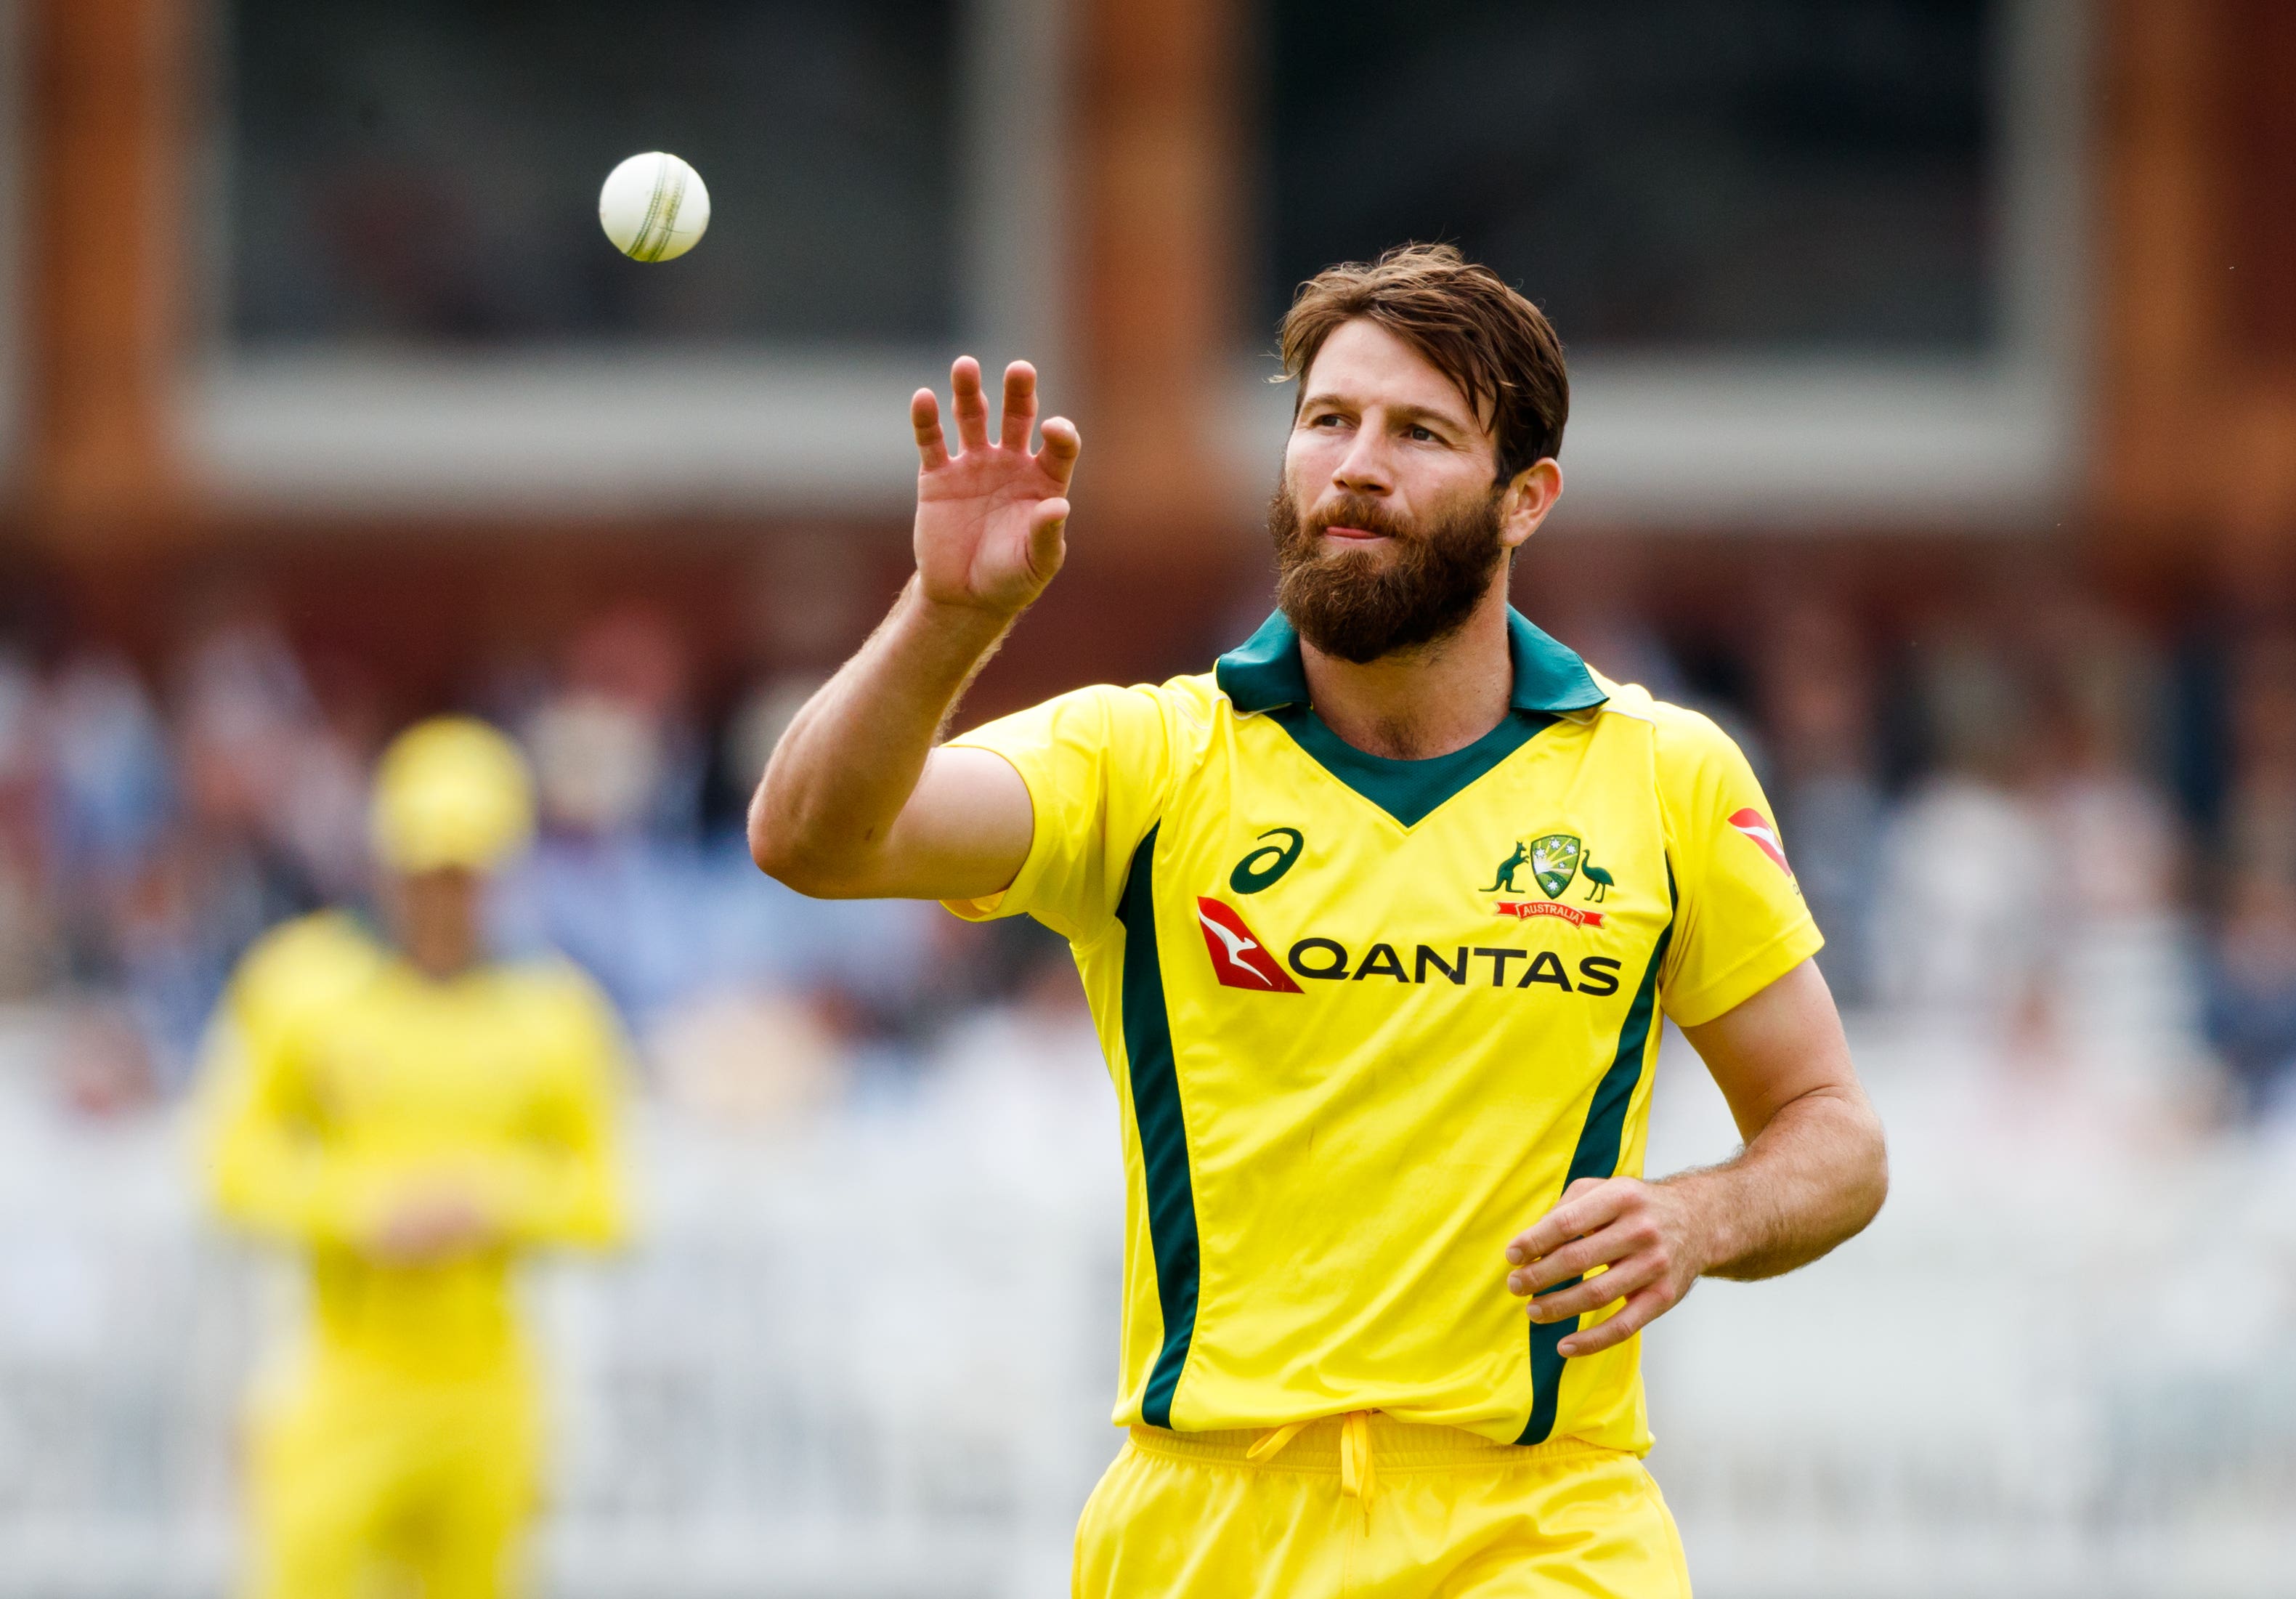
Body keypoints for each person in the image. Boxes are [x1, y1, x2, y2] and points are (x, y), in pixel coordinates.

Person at [750, 243, 1888, 1596]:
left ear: (1525, 500)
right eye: (1327, 420)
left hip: (1542, 1523)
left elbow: (1835, 1133)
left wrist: (1701, 1217)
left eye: (1419, 434)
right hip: (1206, 1523)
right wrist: (948, 614)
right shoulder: (1149, 758)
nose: (1355, 465)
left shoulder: (1663, 775)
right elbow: (813, 840)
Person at [196, 717, 628, 1599]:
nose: (442, 897)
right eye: (425, 871)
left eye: (463, 874)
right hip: (342, 1375)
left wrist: (495, 1199)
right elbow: (229, 1164)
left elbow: (608, 1196)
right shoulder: (300, 986)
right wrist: (358, 1206)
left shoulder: (556, 1015)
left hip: (488, 1386)